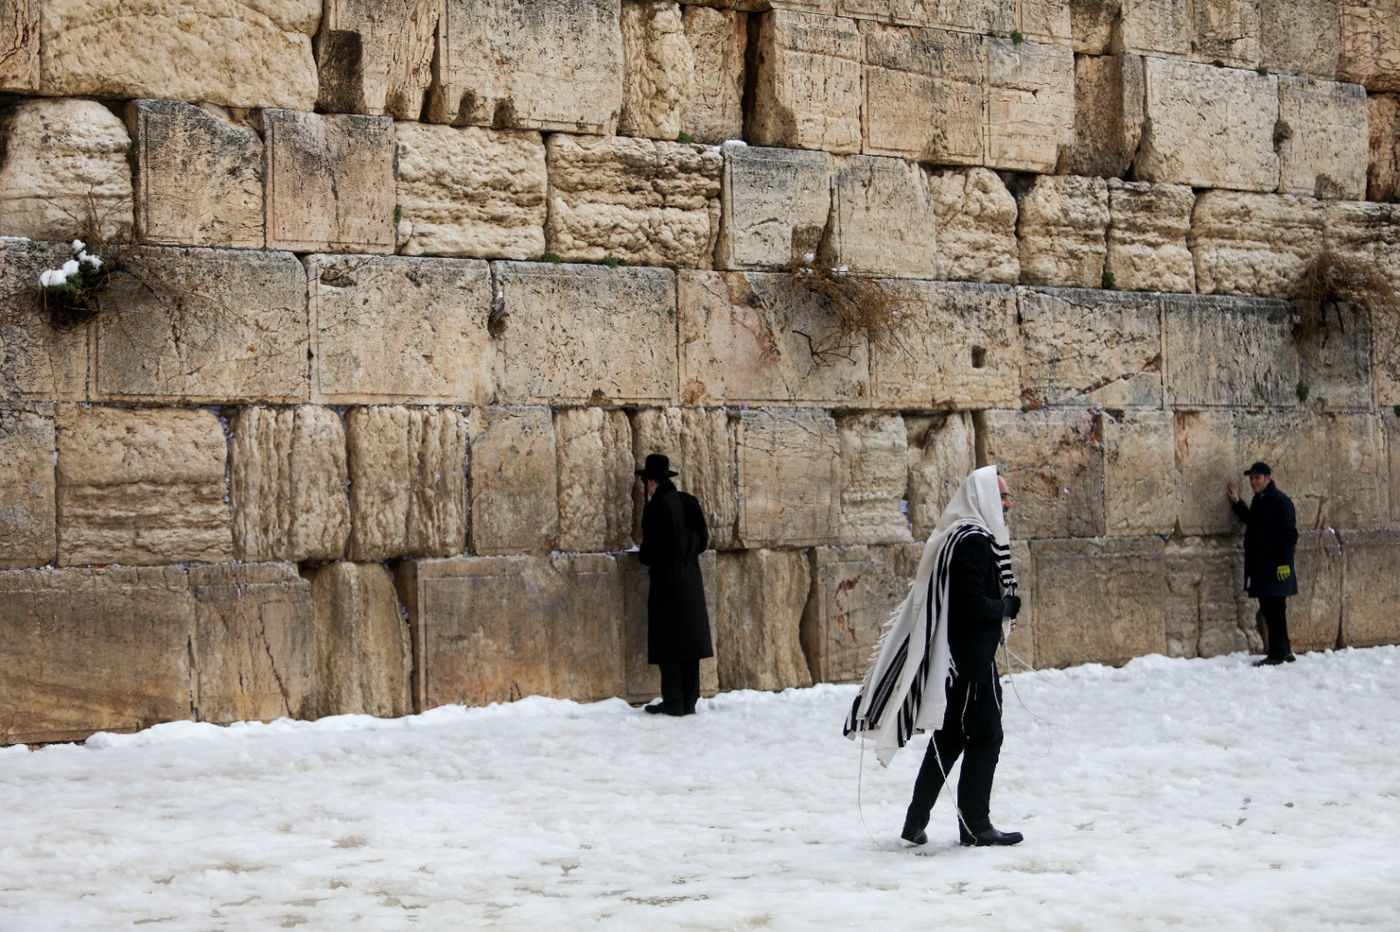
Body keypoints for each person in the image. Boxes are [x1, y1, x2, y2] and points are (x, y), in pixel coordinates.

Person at [844, 466, 1024, 848]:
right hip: (969, 661)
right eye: (1003, 496)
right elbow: (971, 604)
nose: (1008, 503)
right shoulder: (973, 540)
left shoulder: (958, 536)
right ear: (983, 499)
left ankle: (915, 822)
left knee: (951, 737)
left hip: (956, 658)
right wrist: (1006, 606)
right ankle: (976, 826)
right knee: (987, 737)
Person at [636, 453, 713, 716]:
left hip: (667, 580)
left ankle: (673, 702)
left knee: (669, 643)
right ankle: (690, 701)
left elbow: (649, 553)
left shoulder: (656, 507)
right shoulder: (690, 502)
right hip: (691, 576)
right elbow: (702, 542)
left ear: (650, 481)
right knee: (690, 642)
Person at [1227, 461, 1299, 666]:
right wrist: (1237, 502)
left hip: (1275, 567)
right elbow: (1252, 520)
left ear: (1268, 479)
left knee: (1274, 610)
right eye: (1251, 478)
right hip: (1264, 567)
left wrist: (1285, 563)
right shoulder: (1261, 500)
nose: (1253, 482)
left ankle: (1278, 653)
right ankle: (1284, 650)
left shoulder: (1280, 501)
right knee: (1272, 609)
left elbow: (1290, 534)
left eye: (1257, 478)